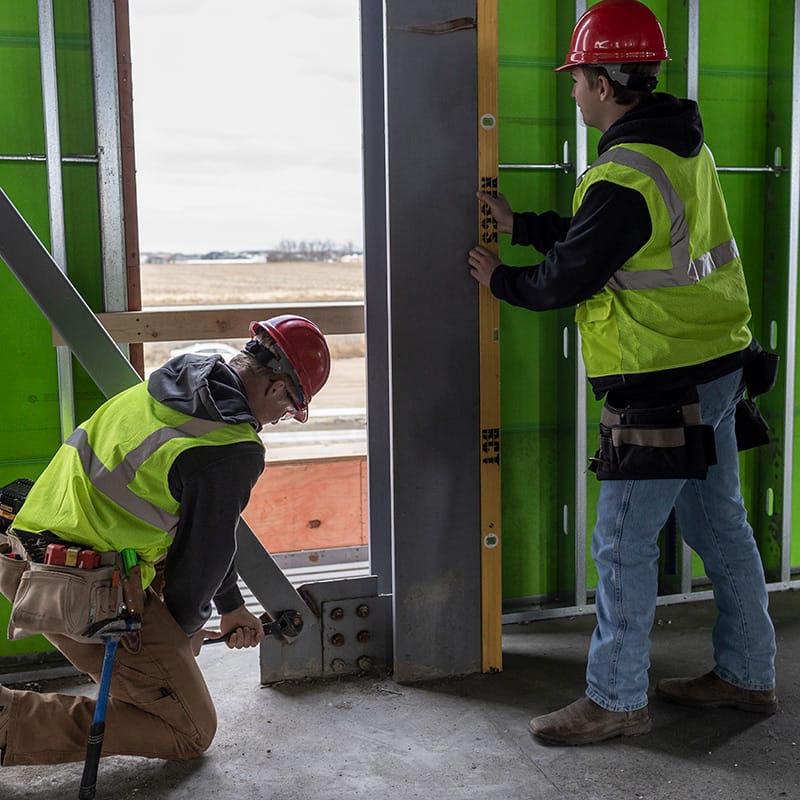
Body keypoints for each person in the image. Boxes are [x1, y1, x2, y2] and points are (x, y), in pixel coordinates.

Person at [468, 0, 777, 745]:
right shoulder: (677, 146)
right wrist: (523, 226)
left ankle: (615, 698)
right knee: (721, 525)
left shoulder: (622, 172)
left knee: (619, 544)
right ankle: (746, 675)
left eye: (575, 80)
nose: (571, 93)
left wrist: (499, 278)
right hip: (716, 366)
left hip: (659, 384)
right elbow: (606, 239)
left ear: (604, 83)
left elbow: (566, 277)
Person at [0, 314, 330, 765]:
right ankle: (8, 722)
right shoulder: (231, 449)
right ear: (276, 388)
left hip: (26, 555)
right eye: (290, 410)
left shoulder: (182, 379)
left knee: (164, 691)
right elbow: (198, 564)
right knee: (188, 728)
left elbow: (206, 533)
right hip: (76, 588)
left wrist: (230, 606)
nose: (280, 419)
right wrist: (184, 634)